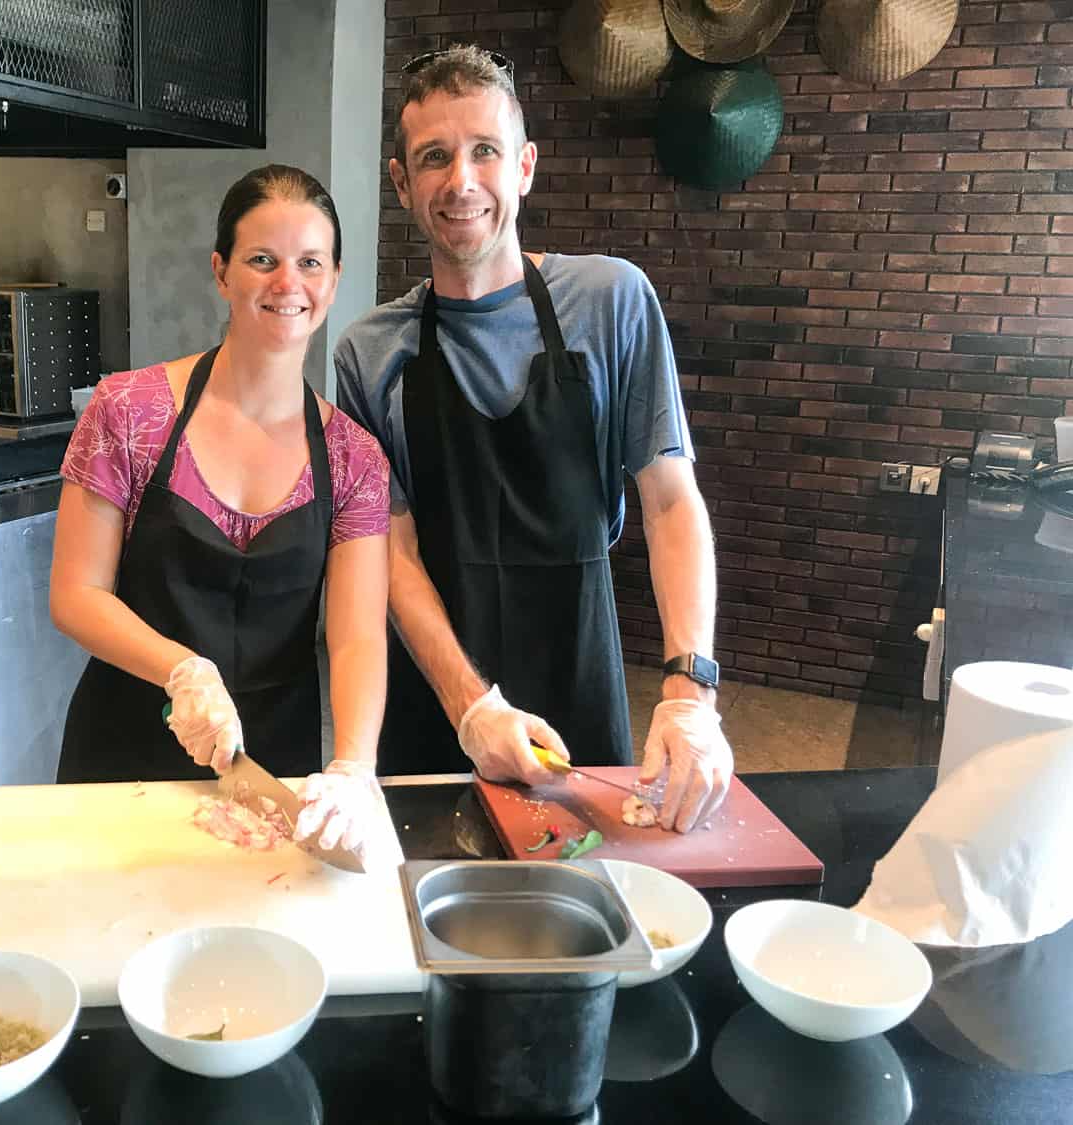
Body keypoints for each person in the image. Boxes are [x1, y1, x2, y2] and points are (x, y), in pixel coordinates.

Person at [334, 46, 733, 833]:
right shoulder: (368, 353)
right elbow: (393, 552)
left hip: (578, 675)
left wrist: (691, 689)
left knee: (597, 914)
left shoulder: (612, 301)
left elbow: (670, 501)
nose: (462, 181)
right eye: (434, 158)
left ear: (524, 167)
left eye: (485, 151)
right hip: (437, 699)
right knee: (426, 924)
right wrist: (471, 706)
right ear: (401, 183)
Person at [50, 164, 392, 862]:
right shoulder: (130, 411)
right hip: (124, 749)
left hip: (272, 766)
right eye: (261, 260)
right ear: (221, 271)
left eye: (310, 263)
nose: (286, 283)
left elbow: (356, 637)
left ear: (333, 279)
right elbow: (75, 593)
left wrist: (354, 764)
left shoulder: (355, 458)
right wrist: (183, 670)